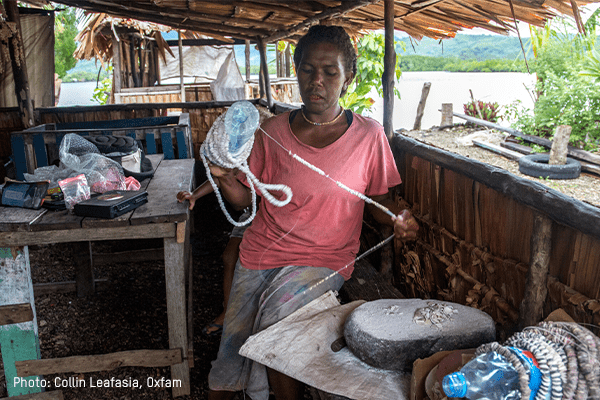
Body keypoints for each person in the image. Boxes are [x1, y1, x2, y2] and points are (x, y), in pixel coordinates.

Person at [206, 25, 419, 400]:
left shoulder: (368, 136)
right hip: (261, 253)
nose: (316, 81)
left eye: (330, 71)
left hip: (324, 258)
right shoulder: (271, 132)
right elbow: (244, 201)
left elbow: (381, 200)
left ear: (347, 78)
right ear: (297, 70)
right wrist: (223, 177)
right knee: (233, 344)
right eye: (307, 69)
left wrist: (398, 218)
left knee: (276, 319)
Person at [177, 180, 250, 337]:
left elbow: (239, 201)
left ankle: (250, 316)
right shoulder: (238, 161)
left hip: (273, 216)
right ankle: (228, 312)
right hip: (251, 214)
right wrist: (195, 195)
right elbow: (219, 177)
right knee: (230, 257)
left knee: (251, 261)